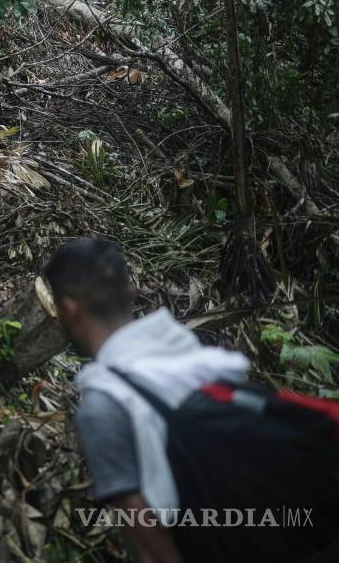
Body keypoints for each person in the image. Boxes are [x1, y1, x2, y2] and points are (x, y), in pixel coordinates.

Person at [43, 238, 339, 563]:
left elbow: (150, 542)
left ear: (69, 308)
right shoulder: (192, 359)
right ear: (131, 296)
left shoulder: (105, 404)